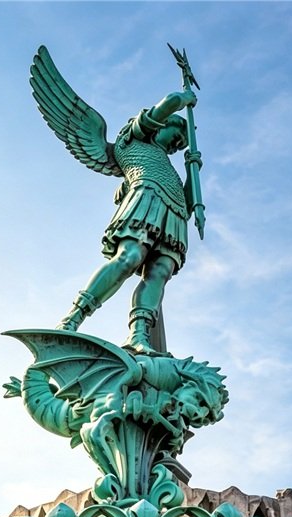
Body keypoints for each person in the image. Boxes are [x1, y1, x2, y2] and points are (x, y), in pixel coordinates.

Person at [56, 90, 198, 355]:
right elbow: (168, 104)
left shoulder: (170, 168)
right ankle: (72, 318)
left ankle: (139, 335)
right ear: (160, 127)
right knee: (129, 256)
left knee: (159, 273)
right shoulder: (133, 139)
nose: (178, 145)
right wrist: (184, 98)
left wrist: (192, 169)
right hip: (146, 199)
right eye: (177, 136)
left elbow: (188, 205)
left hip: (174, 214)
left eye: (181, 145)